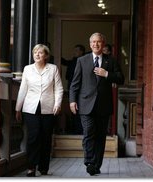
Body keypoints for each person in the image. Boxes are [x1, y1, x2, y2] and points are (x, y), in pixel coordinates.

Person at [69, 32, 124, 176]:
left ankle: (97, 164)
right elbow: (75, 83)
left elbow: (120, 78)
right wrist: (72, 101)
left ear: (103, 44)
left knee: (100, 136)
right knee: (89, 132)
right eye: (93, 42)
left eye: (98, 42)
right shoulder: (82, 60)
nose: (96, 44)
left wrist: (106, 74)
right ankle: (89, 162)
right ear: (90, 44)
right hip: (85, 104)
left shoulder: (110, 61)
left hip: (103, 106)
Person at [15, 44, 64, 177]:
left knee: (46, 137)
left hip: (49, 108)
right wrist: (18, 109)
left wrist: (58, 105)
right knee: (33, 137)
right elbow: (23, 89)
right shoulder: (27, 69)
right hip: (30, 108)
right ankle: (31, 167)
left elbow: (58, 88)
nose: (37, 54)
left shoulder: (53, 69)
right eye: (35, 52)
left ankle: (43, 167)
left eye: (40, 52)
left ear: (46, 56)